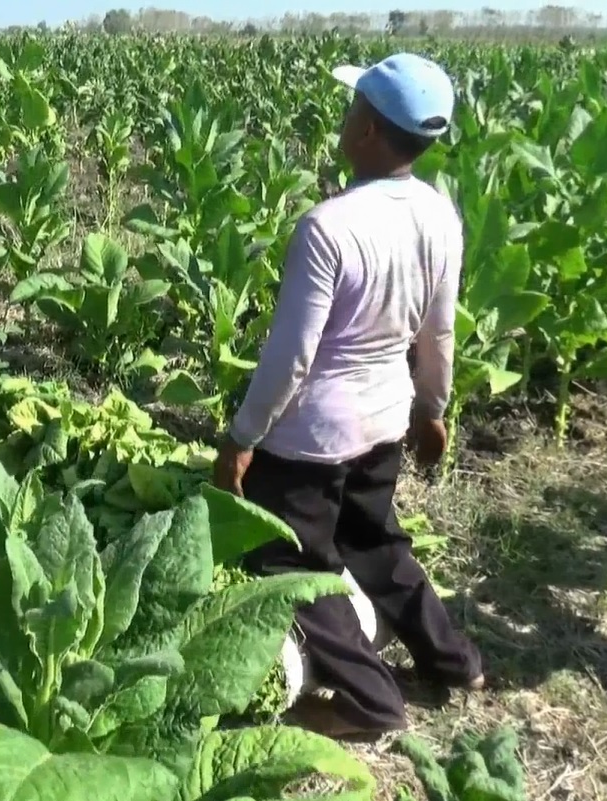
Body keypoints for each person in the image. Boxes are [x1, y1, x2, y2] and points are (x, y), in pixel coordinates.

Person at [212, 53, 484, 739]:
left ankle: (371, 701)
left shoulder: (327, 227)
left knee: (286, 561)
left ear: (367, 129)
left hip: (312, 434)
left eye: (350, 108)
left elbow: (290, 357)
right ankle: (453, 662)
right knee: (373, 540)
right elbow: (438, 330)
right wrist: (432, 411)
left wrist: (242, 436)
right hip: (385, 415)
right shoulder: (437, 213)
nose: (342, 118)